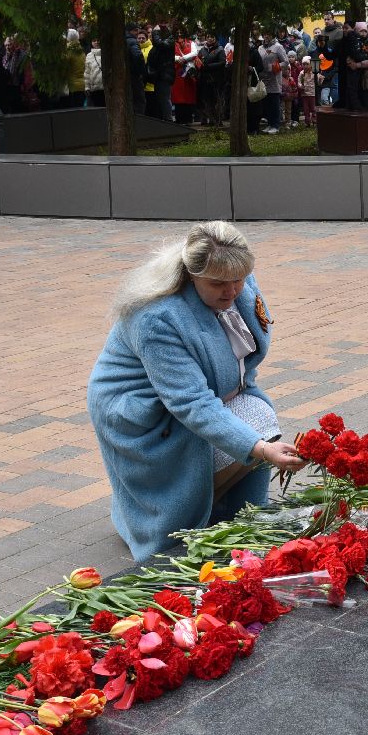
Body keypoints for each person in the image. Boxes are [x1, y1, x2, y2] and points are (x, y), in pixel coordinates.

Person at [87, 221, 305, 560]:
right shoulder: (157, 317)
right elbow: (191, 403)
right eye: (218, 283)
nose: (232, 292)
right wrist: (259, 449)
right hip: (142, 413)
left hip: (201, 397)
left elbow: (245, 357)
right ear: (192, 275)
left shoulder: (236, 281)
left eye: (239, 280)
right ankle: (173, 518)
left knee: (257, 417)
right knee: (254, 430)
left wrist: (253, 438)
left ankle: (229, 510)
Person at [63, 29, 87, 109]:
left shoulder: (68, 51)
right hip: (81, 85)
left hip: (71, 86)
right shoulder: (81, 50)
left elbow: (64, 68)